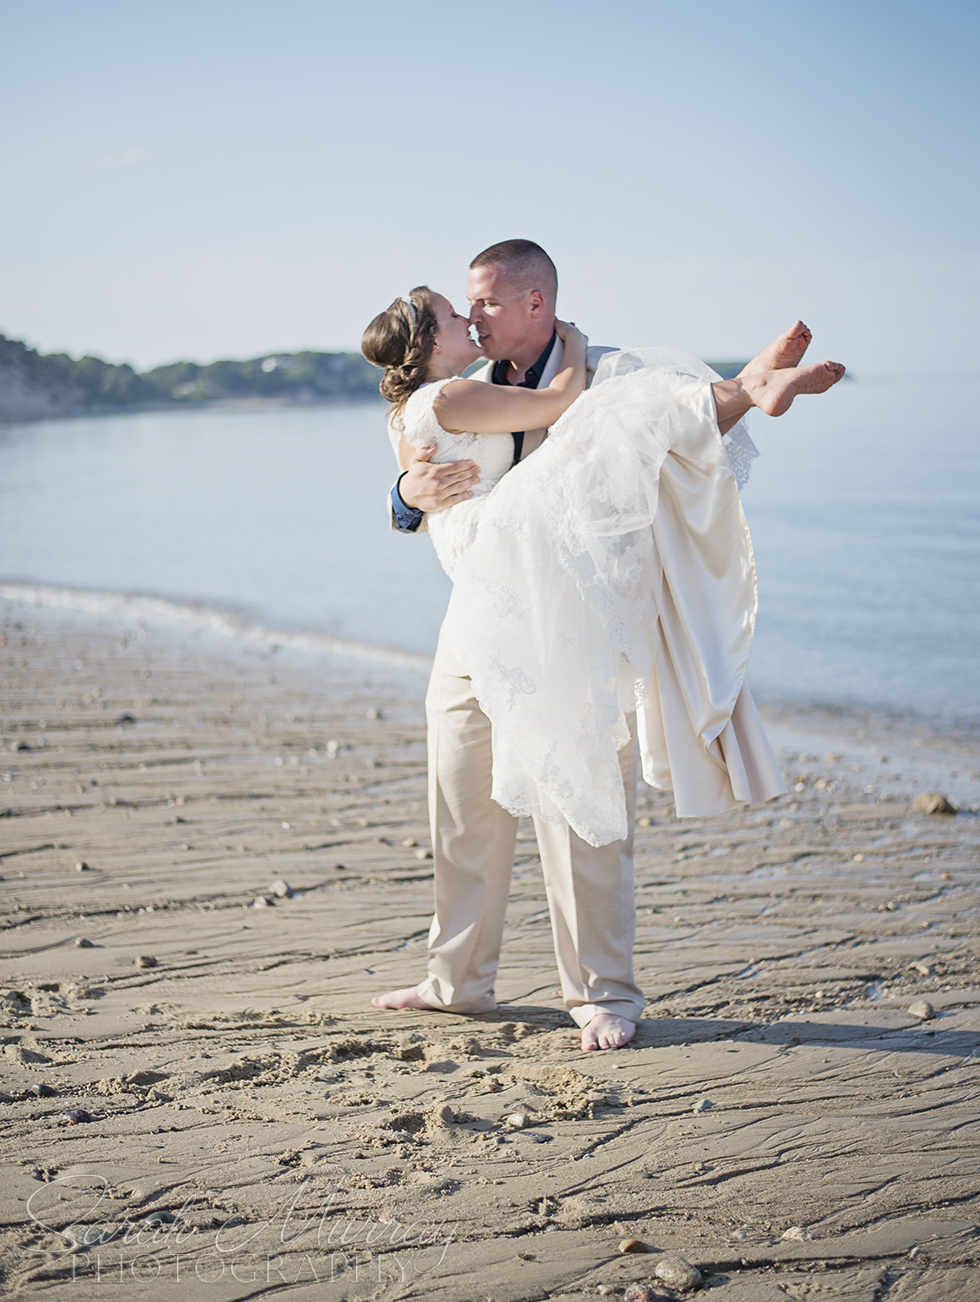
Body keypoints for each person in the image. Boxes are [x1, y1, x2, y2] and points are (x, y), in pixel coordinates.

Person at [362, 241, 844, 1050]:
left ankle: (602, 992)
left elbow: (670, 432)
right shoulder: (467, 385)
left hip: (572, 623)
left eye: (485, 302)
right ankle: (456, 981)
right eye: (464, 307)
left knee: (582, 807)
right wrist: (405, 494)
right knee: (461, 807)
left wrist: (724, 400)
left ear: (536, 303)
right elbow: (420, 469)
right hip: (474, 621)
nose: (473, 317)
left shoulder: (604, 371)